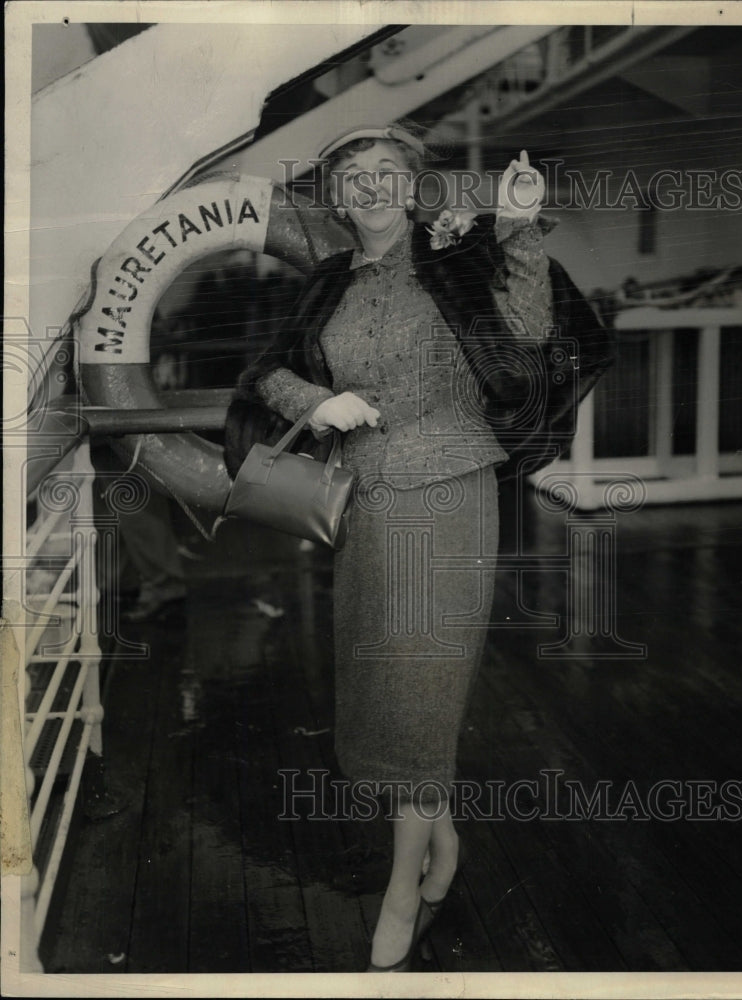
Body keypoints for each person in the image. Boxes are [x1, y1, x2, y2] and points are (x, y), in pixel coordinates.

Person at [224, 123, 553, 971]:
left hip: (446, 491)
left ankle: (403, 888)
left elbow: (526, 335)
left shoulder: (455, 256)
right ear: (335, 197)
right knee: (386, 688)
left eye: (384, 173)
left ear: (411, 185)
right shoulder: (329, 278)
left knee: (419, 689)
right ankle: (442, 841)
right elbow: (263, 370)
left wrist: (518, 228)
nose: (369, 188)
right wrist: (318, 401)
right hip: (364, 500)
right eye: (352, 177)